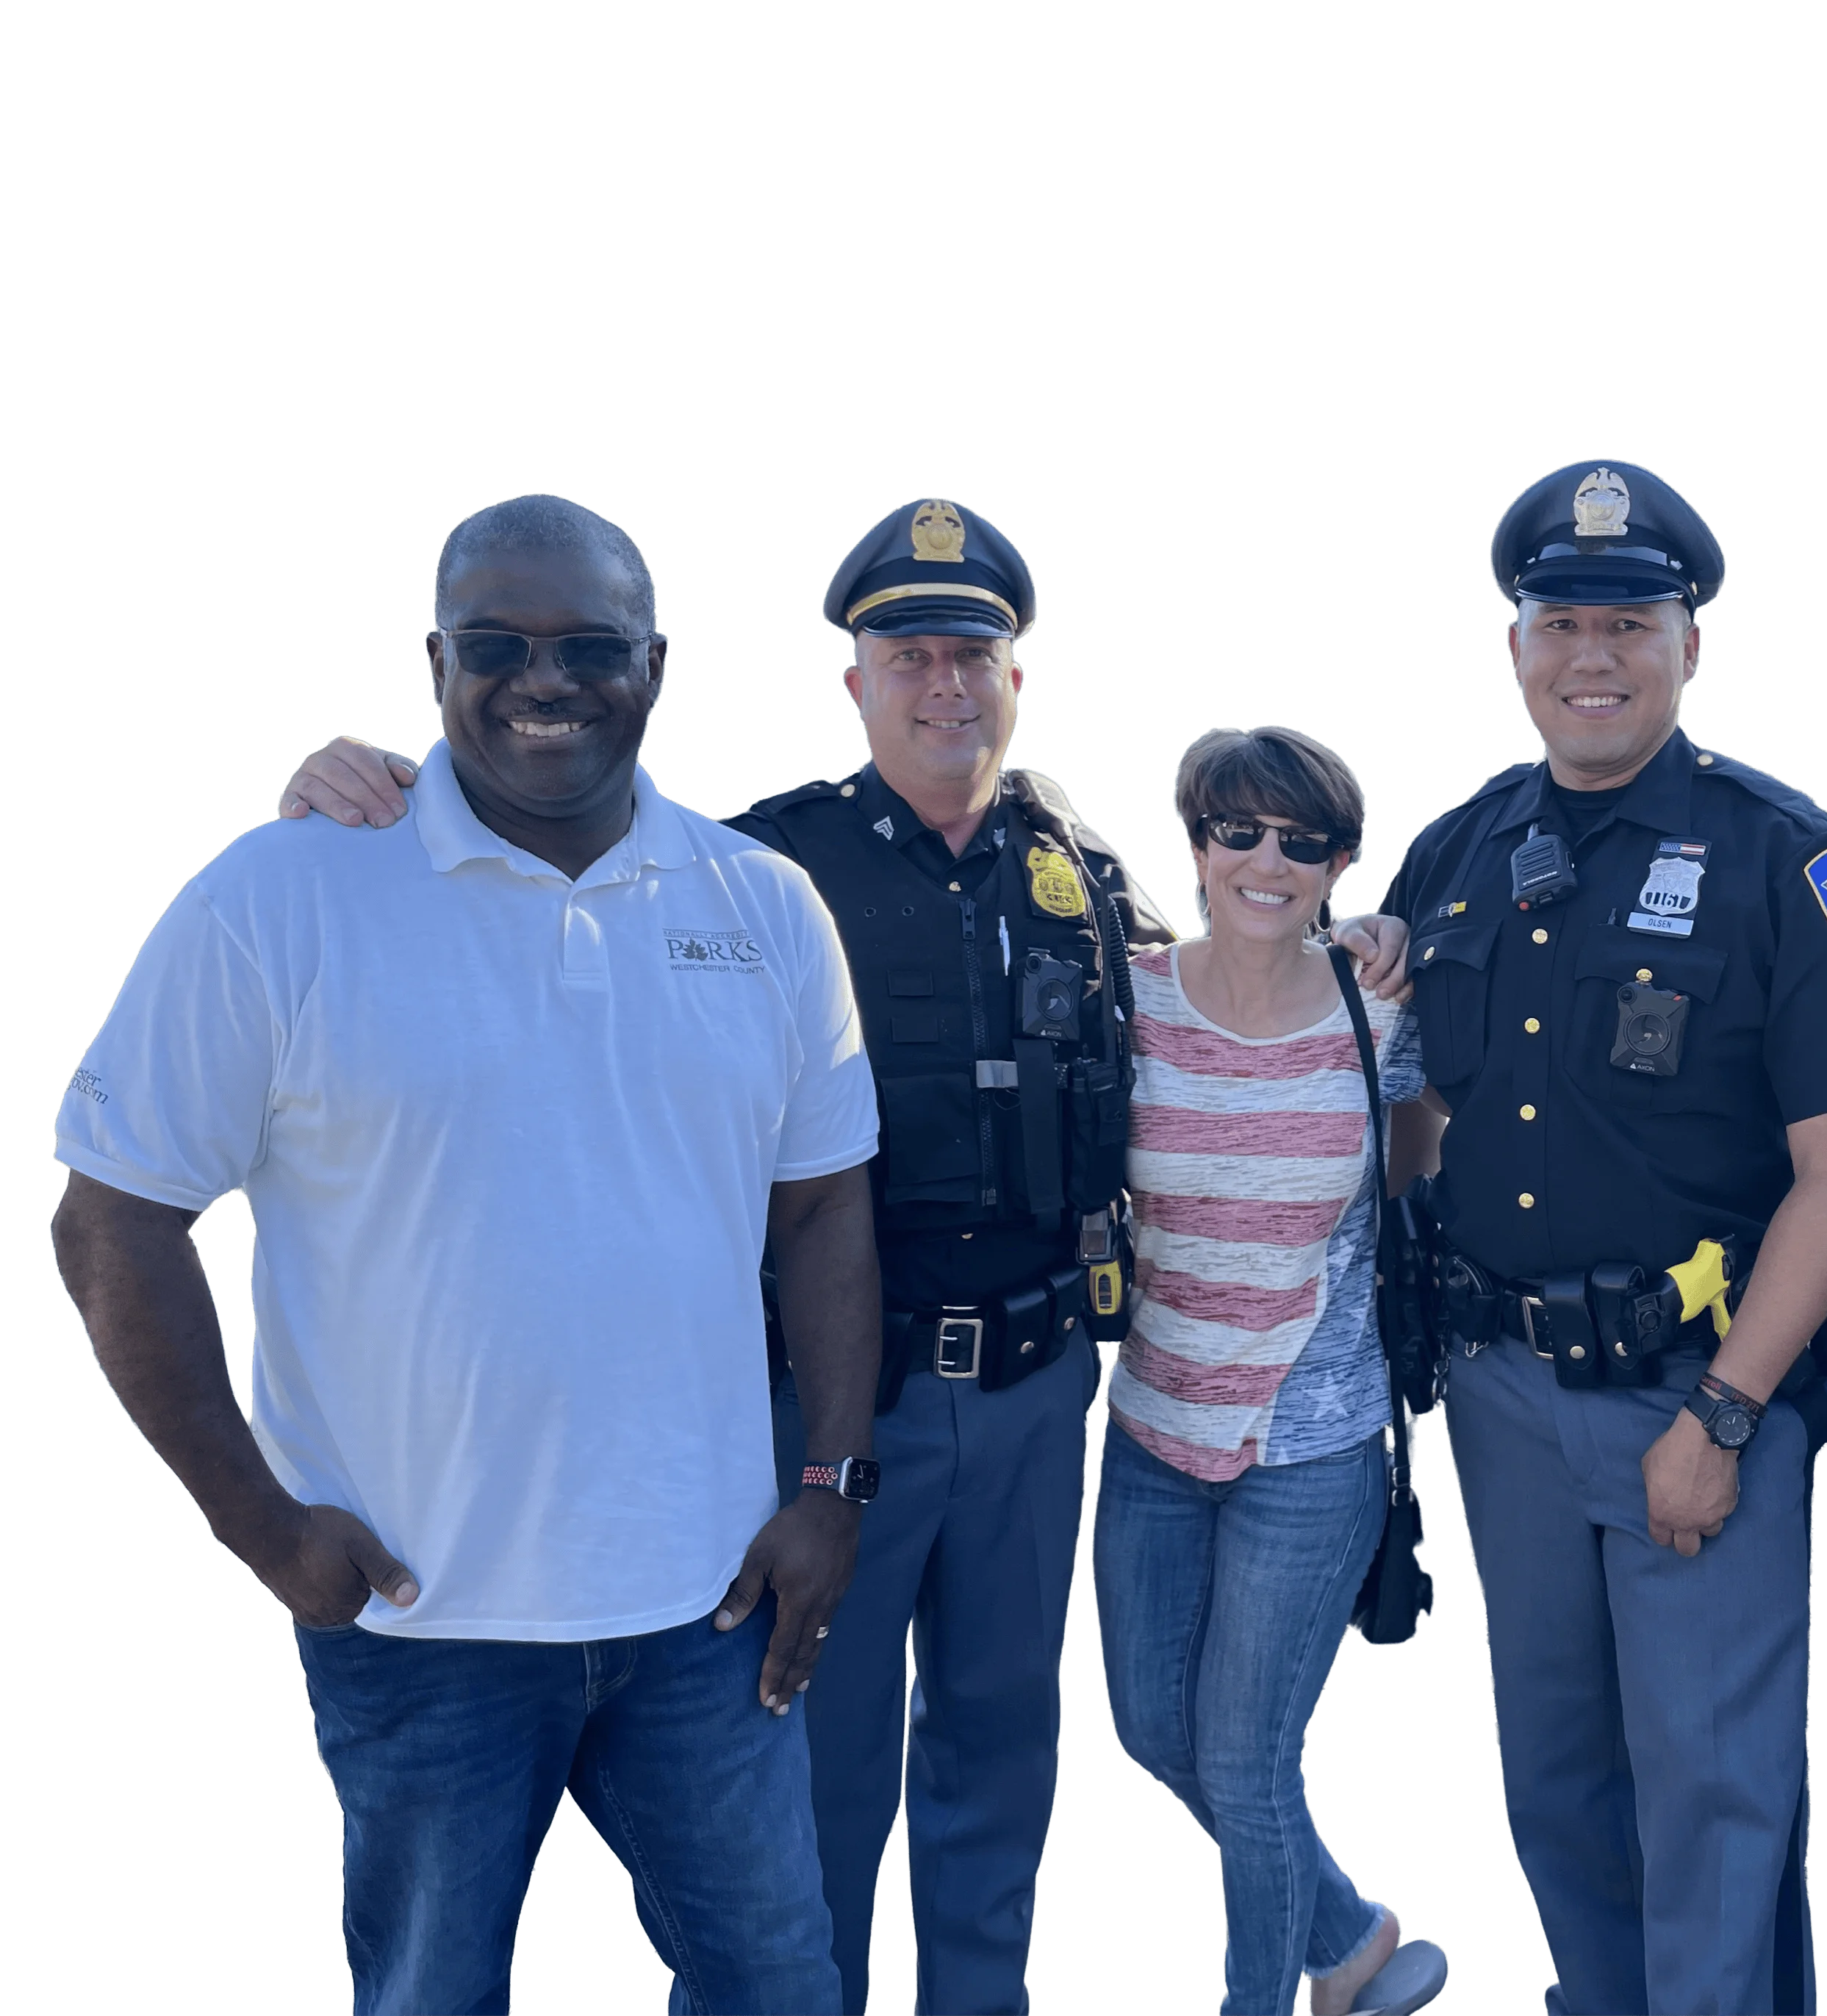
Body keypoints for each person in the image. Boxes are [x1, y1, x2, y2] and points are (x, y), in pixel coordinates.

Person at [277, 495, 1412, 2015]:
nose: (946, 685)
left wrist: (1359, 940)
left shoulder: (1080, 876)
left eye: (973, 657)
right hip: (831, 1405)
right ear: (857, 681)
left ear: (1016, 681)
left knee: (999, 1759)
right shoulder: (752, 872)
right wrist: (363, 793)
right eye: (910, 656)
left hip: (1035, 1393)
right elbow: (544, 900)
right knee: (811, 1766)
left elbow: (1228, 972)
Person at [50, 493, 883, 2016]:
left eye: (589, 646)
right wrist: (260, 1527)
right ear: (436, 662)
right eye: (496, 644)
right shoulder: (280, 897)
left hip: (706, 1608)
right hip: (418, 1618)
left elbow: (825, 1209)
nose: (542, 680)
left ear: (656, 666)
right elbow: (111, 1219)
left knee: (778, 1987)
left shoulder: (764, 906)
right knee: (430, 1995)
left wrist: (831, 1485)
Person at [1380, 459, 1827, 2016]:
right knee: (1556, 1777)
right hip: (1502, 1392)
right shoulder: (1456, 854)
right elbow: (1420, 1118)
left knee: (1713, 1797)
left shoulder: (1787, 860)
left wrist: (1728, 1413)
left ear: (1691, 645)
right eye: (1561, 622)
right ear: (1513, 647)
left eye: (1630, 623)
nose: (1593, 657)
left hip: (1698, 1393)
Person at [1094, 726, 1451, 2016]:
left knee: (1247, 1764)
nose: (1268, 859)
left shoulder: (1380, 1010)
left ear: (1340, 866)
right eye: (1238, 830)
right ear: (1195, 848)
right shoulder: (1129, 998)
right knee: (1152, 1725)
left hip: (1313, 1443)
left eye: (1304, 842)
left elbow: (1416, 1166)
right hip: (1153, 1423)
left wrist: (1391, 948)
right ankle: (1350, 1933)